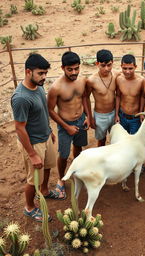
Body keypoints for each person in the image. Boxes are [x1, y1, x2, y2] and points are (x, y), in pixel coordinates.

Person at [11, 54, 58, 222]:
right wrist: (32, 153)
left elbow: (42, 112)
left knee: (47, 168)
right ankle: (29, 207)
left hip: (45, 136)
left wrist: (49, 130)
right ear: (28, 71)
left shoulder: (38, 87)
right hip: (33, 143)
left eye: (45, 73)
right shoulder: (21, 98)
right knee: (33, 179)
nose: (44, 77)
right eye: (40, 73)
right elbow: (19, 128)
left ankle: (44, 191)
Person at [47, 51, 89, 199]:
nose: (74, 72)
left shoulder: (82, 81)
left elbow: (84, 97)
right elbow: (50, 110)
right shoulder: (56, 88)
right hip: (65, 124)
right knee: (64, 154)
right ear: (62, 68)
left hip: (81, 121)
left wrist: (88, 116)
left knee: (78, 147)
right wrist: (66, 127)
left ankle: (76, 171)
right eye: (70, 69)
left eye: (76, 68)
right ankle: (61, 179)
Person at [86, 49, 119, 146]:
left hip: (114, 113)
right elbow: (86, 98)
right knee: (101, 140)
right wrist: (90, 117)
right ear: (97, 63)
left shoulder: (117, 74)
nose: (106, 68)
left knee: (116, 139)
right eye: (103, 65)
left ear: (112, 62)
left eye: (109, 65)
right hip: (100, 116)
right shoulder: (91, 80)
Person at [115, 54, 145, 134]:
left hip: (135, 118)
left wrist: (141, 113)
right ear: (121, 66)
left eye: (130, 68)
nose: (127, 71)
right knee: (123, 140)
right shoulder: (119, 79)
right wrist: (116, 114)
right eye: (124, 68)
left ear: (135, 67)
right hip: (122, 116)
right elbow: (118, 96)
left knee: (133, 140)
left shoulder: (141, 81)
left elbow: (143, 97)